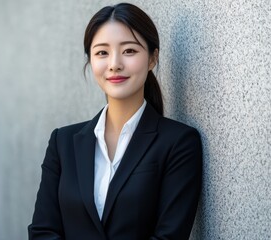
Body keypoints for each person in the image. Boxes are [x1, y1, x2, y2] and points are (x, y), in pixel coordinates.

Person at [28, 3, 203, 240]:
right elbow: (43, 231)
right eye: (102, 52)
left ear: (152, 58)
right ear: (90, 60)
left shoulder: (179, 143)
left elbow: (169, 236)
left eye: (129, 51)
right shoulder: (63, 142)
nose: (114, 64)